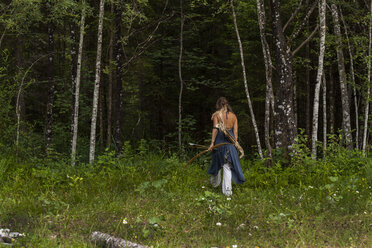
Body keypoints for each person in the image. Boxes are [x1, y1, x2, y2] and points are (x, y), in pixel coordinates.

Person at [207, 97, 245, 196]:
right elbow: (235, 132)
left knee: (217, 163)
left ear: (218, 105)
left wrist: (212, 142)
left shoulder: (217, 115)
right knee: (227, 166)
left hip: (220, 142)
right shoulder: (234, 116)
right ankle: (227, 192)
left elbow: (215, 129)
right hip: (230, 142)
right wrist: (234, 142)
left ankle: (215, 185)